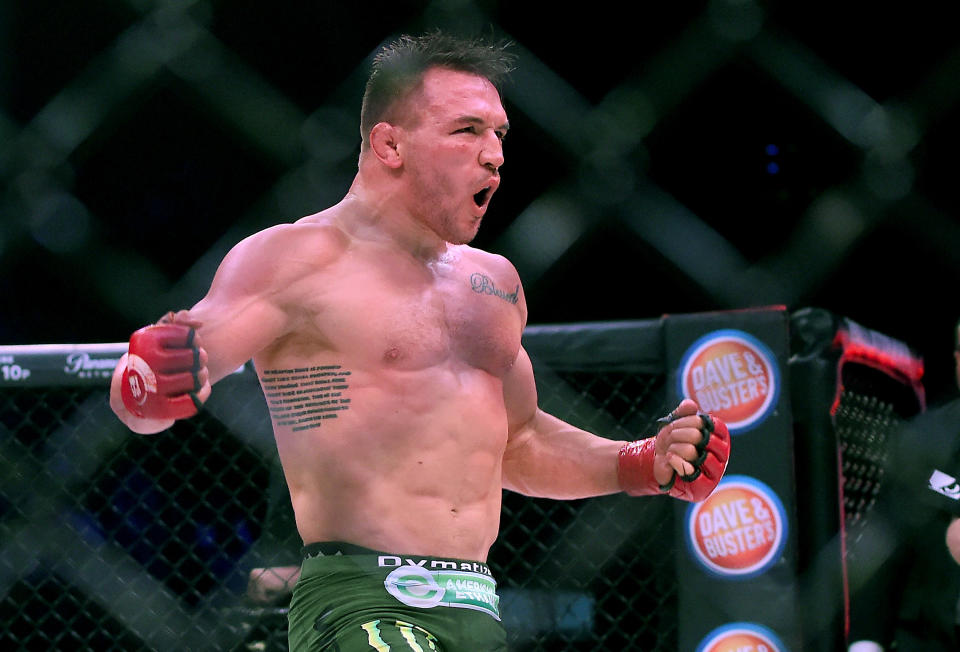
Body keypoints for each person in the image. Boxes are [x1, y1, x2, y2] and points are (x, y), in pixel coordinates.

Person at [109, 31, 730, 651]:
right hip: (359, 601)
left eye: (500, 134)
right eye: (467, 131)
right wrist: (146, 381)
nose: (494, 156)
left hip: (477, 607)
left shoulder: (494, 282)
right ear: (390, 143)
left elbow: (519, 442)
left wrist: (640, 463)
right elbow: (170, 374)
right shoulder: (294, 259)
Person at [847, 318, 960, 652]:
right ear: (956, 361)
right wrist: (865, 642)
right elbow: (882, 546)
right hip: (927, 638)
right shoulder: (927, 440)